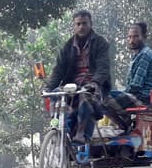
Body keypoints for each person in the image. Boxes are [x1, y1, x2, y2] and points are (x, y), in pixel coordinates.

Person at [44, 10, 112, 149]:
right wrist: (49, 88)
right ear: (74, 26)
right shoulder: (67, 46)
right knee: (56, 94)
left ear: (91, 24)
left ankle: (80, 133)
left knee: (85, 95)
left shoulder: (100, 43)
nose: (81, 27)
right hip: (72, 85)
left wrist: (95, 83)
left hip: (94, 85)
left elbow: (103, 68)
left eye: (84, 23)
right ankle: (56, 126)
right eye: (78, 24)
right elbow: (59, 70)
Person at [104, 22, 152, 133]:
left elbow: (136, 85)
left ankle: (124, 123)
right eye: (130, 37)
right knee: (100, 97)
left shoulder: (145, 55)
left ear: (144, 37)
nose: (132, 40)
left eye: (136, 36)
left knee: (103, 97)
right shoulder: (137, 55)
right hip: (137, 96)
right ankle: (124, 124)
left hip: (144, 99)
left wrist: (121, 93)